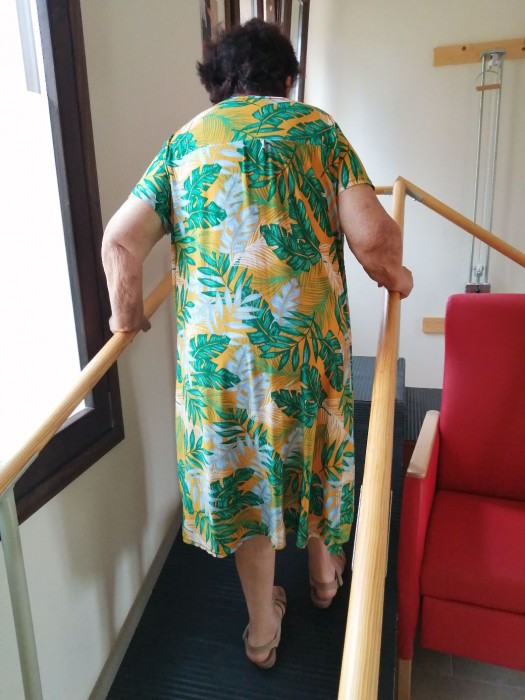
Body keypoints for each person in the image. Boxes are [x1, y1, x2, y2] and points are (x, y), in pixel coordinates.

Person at [101, 19, 413, 670]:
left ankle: (262, 633)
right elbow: (372, 239)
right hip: (305, 350)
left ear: (216, 83)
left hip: (221, 367)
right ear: (287, 78)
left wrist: (125, 317)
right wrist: (397, 278)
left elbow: (121, 241)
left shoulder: (184, 143)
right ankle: (324, 579)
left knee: (248, 483)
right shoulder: (318, 131)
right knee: (317, 456)